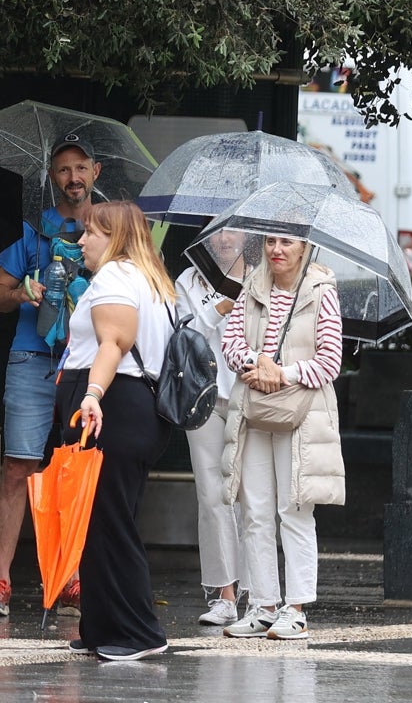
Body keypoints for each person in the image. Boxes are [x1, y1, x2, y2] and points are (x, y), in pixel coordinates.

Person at [0, 133, 101, 617]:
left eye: (81, 168)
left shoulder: (107, 230)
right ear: (52, 178)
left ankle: (71, 576)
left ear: (96, 173)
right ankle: (0, 582)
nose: (73, 177)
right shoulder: (29, 230)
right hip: (31, 356)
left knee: (76, 469)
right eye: (63, 170)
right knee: (17, 469)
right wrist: (22, 293)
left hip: (84, 362)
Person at [57, 200, 172, 662]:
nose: (81, 240)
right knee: (101, 520)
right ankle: (102, 625)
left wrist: (92, 394)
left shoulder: (117, 276)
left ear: (117, 238)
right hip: (131, 410)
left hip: (116, 408)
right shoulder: (148, 280)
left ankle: (138, 633)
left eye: (91, 232)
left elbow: (114, 342)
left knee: (111, 522)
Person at [221, 235, 344, 640]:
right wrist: (256, 363)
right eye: (270, 241)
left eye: (287, 242)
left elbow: (330, 361)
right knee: (255, 511)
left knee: (294, 509)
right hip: (255, 409)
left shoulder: (322, 292)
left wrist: (283, 373)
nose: (277, 249)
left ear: (304, 248)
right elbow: (230, 341)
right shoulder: (252, 287)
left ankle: (296, 609)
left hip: (302, 414)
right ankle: (263, 605)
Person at [175, 226, 248, 627]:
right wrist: (222, 304)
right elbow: (185, 337)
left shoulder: (261, 274)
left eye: (232, 231)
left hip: (251, 397)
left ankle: (260, 594)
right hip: (202, 399)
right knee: (212, 495)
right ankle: (224, 594)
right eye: (215, 233)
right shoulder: (189, 280)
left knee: (252, 496)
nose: (223, 240)